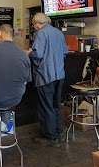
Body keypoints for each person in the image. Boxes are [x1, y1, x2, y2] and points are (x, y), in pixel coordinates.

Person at [26, 13, 68, 147]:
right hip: (59, 75)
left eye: (33, 25)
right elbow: (65, 52)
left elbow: (37, 54)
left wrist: (28, 53)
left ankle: (50, 137)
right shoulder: (59, 33)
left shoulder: (40, 33)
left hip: (46, 75)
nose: (34, 27)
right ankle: (57, 131)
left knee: (46, 106)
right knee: (56, 104)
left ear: (37, 23)